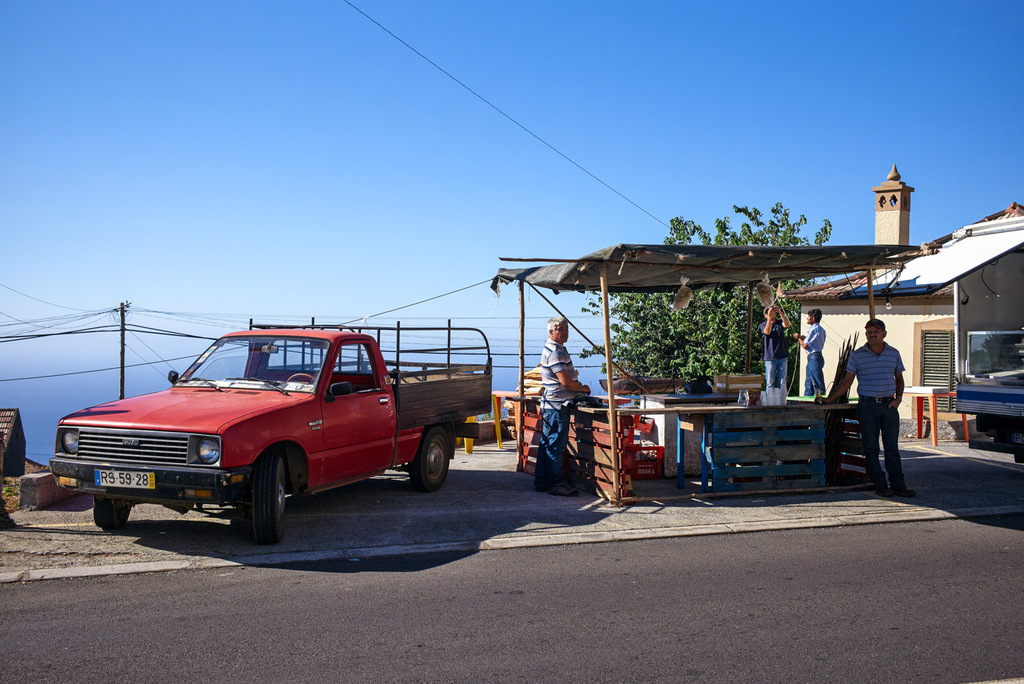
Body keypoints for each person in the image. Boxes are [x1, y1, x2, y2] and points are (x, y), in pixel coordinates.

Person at [820, 318, 915, 498]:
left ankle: (898, 484)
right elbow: (847, 381)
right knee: (871, 448)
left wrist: (898, 399)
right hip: (867, 406)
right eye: (869, 332)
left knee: (892, 448)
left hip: (889, 405)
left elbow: (899, 379)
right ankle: (880, 484)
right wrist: (830, 399)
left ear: (884, 334)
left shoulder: (894, 353)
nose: (872, 335)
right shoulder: (857, 355)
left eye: (876, 332)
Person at [536, 316, 590, 497]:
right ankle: (557, 484)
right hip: (558, 405)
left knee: (546, 443)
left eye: (567, 329)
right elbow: (565, 382)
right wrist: (582, 389)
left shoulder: (555, 348)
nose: (565, 332)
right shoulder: (555, 352)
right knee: (555, 446)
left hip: (551, 404)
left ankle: (541, 481)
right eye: (561, 329)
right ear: (551, 331)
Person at [794, 308, 826, 396]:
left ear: (813, 318)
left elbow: (805, 345)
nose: (807, 318)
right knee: (809, 381)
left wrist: (798, 338)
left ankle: (819, 398)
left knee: (816, 381)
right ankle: (809, 397)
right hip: (816, 356)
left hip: (814, 357)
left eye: (808, 316)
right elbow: (814, 342)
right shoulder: (821, 329)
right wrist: (804, 338)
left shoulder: (813, 329)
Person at [760, 304, 791, 391]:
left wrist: (780, 312)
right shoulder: (763, 325)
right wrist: (769, 318)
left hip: (782, 355)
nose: (771, 313)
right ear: (765, 315)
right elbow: (767, 332)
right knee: (770, 382)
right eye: (768, 313)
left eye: (772, 312)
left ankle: (782, 398)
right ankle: (770, 399)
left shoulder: (779, 323)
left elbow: (787, 325)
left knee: (782, 382)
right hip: (770, 357)